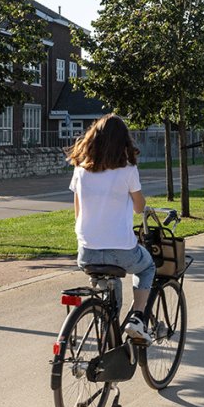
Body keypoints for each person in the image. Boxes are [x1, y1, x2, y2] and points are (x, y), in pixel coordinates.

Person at [66, 114, 155, 344]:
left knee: (110, 296)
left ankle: (108, 340)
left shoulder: (81, 170)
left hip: (87, 251)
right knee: (147, 267)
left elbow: (78, 210)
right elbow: (138, 208)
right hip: (121, 250)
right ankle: (137, 318)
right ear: (123, 142)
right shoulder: (127, 171)